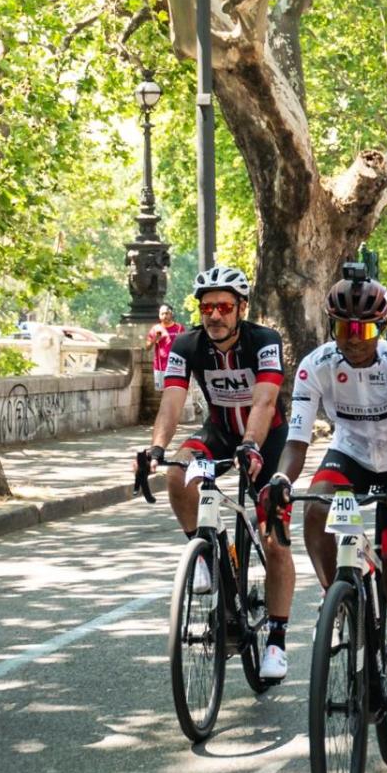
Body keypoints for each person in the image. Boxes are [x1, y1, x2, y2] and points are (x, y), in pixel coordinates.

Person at [261, 269, 387, 762]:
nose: (355, 342)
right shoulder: (315, 367)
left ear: (383, 328)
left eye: (365, 331)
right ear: (331, 328)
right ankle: (339, 599)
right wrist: (280, 480)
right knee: (315, 507)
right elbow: (296, 441)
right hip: (352, 455)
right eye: (344, 331)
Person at [139, 266, 294, 681]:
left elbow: (264, 402)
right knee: (178, 475)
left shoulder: (264, 341)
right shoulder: (187, 344)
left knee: (274, 540)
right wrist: (156, 447)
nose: (215, 315)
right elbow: (171, 401)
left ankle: (277, 640)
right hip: (220, 432)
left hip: (266, 440)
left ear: (241, 308)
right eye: (207, 307)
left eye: (224, 306)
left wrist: (251, 445)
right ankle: (205, 551)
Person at [146, 303, 185, 391]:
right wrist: (155, 339)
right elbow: (147, 348)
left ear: (171, 314)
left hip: (176, 366)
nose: (164, 316)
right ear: (159, 315)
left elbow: (185, 345)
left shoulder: (179, 328)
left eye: (166, 313)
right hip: (160, 366)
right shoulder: (155, 329)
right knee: (162, 392)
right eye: (162, 314)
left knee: (175, 391)